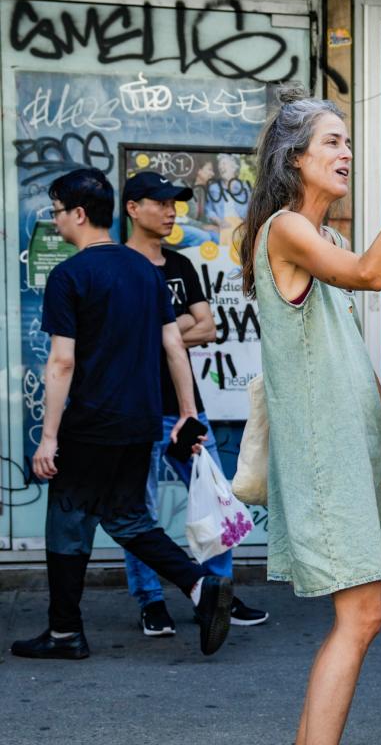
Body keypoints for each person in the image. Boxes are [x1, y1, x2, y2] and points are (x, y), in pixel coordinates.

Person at [239, 90, 381, 745]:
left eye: (348, 141)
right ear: (294, 160)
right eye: (332, 142)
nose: (345, 152)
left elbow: (348, 342)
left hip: (354, 444)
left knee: (368, 612)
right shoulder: (286, 229)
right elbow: (374, 274)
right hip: (323, 453)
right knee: (361, 615)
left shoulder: (322, 236)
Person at [11, 168, 233, 660]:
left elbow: (62, 360)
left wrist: (48, 438)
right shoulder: (144, 271)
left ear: (79, 214)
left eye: (57, 212)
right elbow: (175, 344)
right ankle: (200, 587)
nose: (55, 221)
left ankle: (65, 633)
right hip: (140, 422)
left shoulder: (70, 275)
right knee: (129, 518)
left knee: (67, 522)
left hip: (91, 422)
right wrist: (187, 413)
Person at [121, 170, 269, 636]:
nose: (171, 212)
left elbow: (208, 328)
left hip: (186, 406)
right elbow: (119, 339)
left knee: (214, 498)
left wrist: (157, 334)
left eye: (175, 204)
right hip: (135, 407)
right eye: (161, 203)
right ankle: (150, 602)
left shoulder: (180, 264)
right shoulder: (117, 268)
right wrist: (171, 331)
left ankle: (218, 592)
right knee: (136, 506)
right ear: (132, 208)